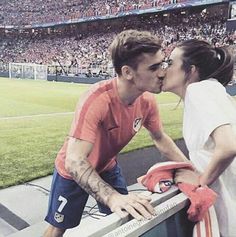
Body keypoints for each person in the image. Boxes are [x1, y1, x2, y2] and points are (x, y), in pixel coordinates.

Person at [43, 30, 190, 237]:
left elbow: (160, 138)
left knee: (126, 218)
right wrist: (112, 197)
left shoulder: (146, 101)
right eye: (154, 67)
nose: (163, 72)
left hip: (107, 167)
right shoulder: (96, 99)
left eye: (163, 64)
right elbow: (74, 160)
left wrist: (190, 169)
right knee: (58, 229)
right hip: (73, 172)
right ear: (128, 72)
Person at [162, 39, 236, 237]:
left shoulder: (198, 90)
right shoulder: (212, 89)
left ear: (191, 70)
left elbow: (228, 146)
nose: (164, 69)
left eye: (170, 63)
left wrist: (201, 180)